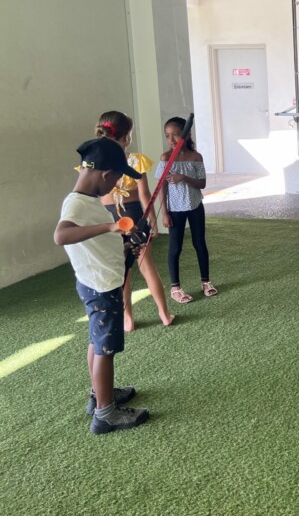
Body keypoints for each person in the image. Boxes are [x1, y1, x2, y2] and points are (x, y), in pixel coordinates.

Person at [54, 137, 150, 434]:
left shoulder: (87, 201)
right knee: (105, 349)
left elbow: (92, 242)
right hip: (100, 286)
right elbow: (62, 235)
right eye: (117, 179)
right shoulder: (77, 203)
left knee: (97, 343)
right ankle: (105, 414)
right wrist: (112, 226)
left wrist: (121, 247)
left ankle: (100, 395)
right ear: (107, 175)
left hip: (99, 281)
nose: (116, 185)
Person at [95, 111, 174, 331]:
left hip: (109, 219)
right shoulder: (135, 161)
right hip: (134, 217)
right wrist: (152, 221)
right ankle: (164, 314)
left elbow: (94, 197)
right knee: (147, 267)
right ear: (127, 137)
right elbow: (144, 195)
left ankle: (127, 319)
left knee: (122, 272)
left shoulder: (94, 163)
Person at [155, 116, 217, 303]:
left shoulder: (196, 157)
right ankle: (175, 288)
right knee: (175, 247)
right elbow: (161, 188)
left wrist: (184, 177)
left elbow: (202, 183)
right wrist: (164, 213)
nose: (172, 139)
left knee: (200, 244)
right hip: (175, 209)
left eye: (176, 134)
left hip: (195, 206)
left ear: (187, 134)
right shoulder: (166, 158)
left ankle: (206, 282)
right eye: (168, 136)